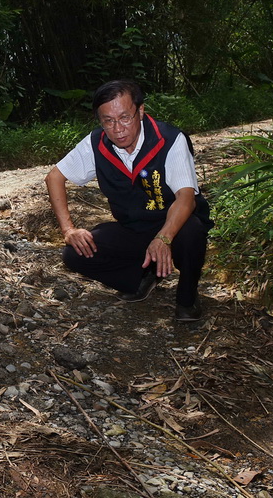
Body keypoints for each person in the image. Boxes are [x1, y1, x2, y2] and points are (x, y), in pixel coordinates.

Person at [45, 79, 213, 322]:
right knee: (75, 254)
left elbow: (186, 199)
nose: (118, 128)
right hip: (133, 229)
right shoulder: (96, 143)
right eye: (108, 121)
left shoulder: (169, 139)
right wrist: (68, 229)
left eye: (125, 117)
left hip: (175, 225)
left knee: (192, 231)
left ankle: (187, 296)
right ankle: (141, 278)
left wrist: (163, 238)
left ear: (141, 111)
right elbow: (54, 177)